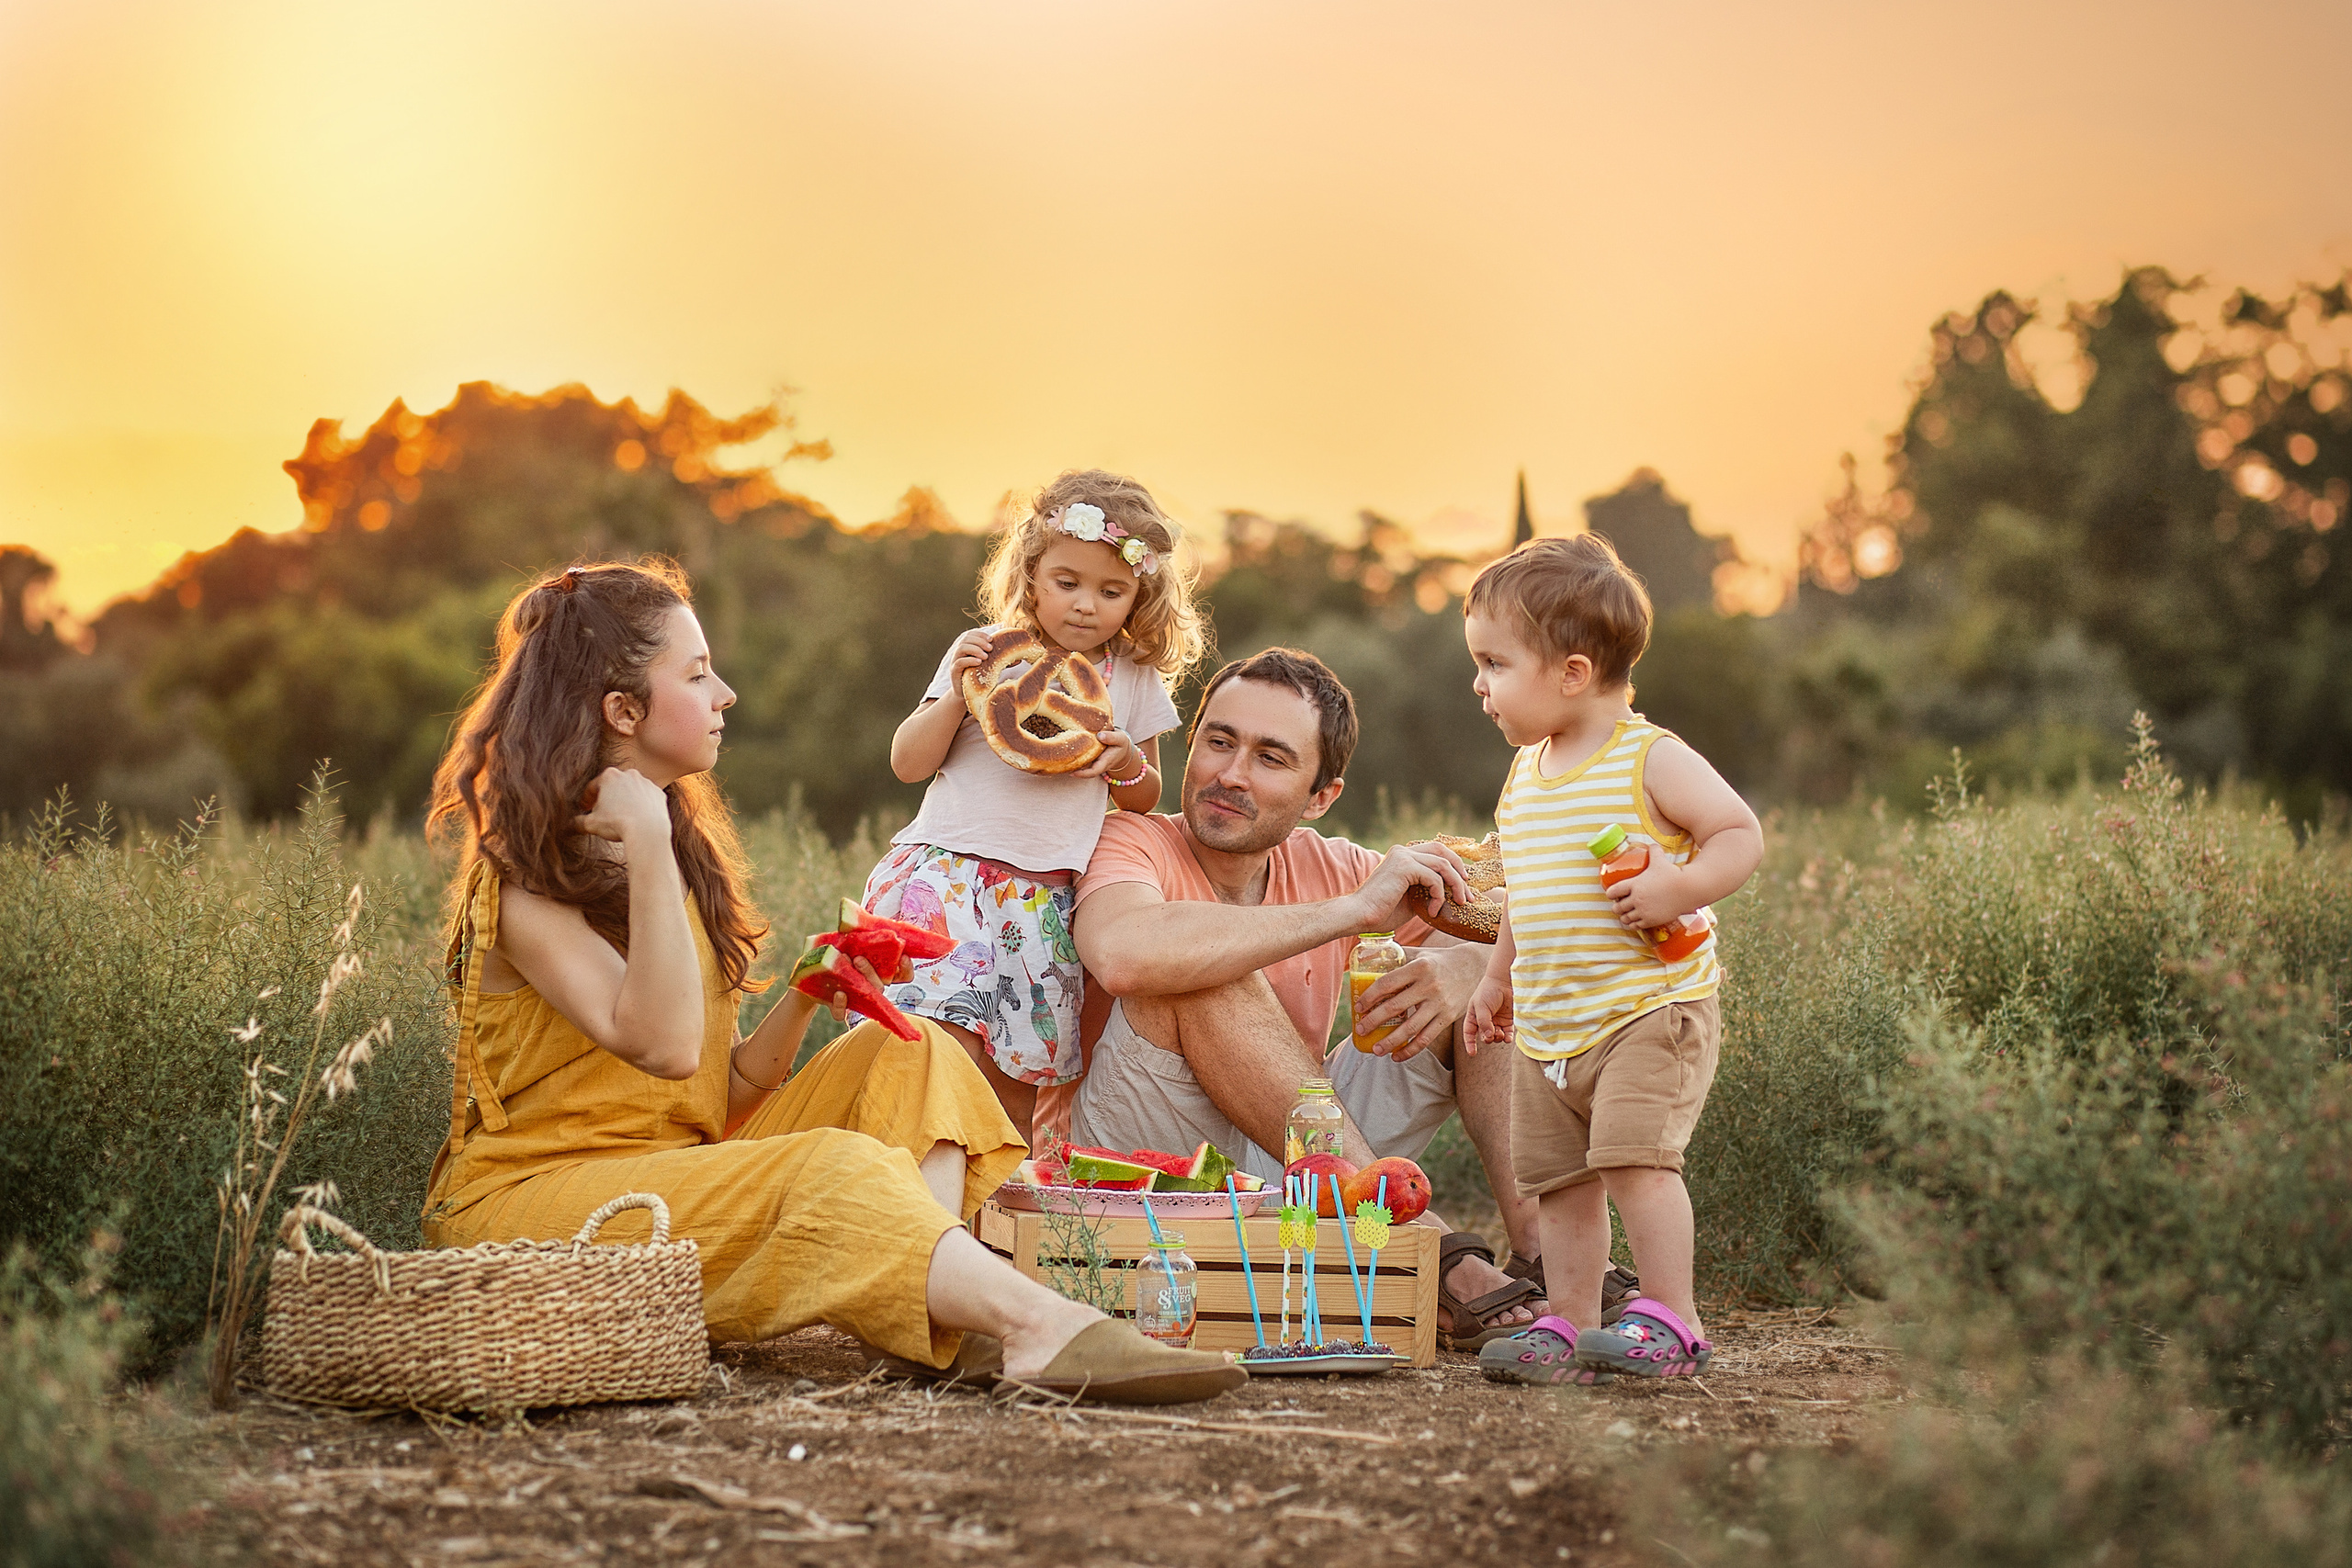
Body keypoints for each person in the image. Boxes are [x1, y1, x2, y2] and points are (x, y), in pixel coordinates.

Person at [420, 558, 1240, 1404]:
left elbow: (716, 1091)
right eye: (698, 675)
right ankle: (1037, 1325)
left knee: (912, 1048)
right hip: (537, 1210)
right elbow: (663, 1047)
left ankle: (946, 1332)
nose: (725, 693)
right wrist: (648, 842)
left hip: (677, 1175)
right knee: (829, 1167)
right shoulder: (525, 883)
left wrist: (809, 996)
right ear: (622, 710)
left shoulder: (669, 850)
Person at [1066, 648, 1558, 1350]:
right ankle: (1415, 1242)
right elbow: (1124, 953)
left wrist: (1473, 966)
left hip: (1297, 1163)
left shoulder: (1331, 863)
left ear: (1320, 796)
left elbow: (1550, 935)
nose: (1229, 775)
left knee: (1489, 985)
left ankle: (1544, 1250)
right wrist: (1353, 912)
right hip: (1147, 1158)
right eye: (1218, 741)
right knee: (1205, 964)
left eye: (1271, 758)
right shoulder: (1130, 837)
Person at [1460, 536, 1762, 1385]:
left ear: (1571, 672)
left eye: (1494, 662)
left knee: (1635, 1161)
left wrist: (1681, 885)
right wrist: (1495, 977)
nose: (1479, 684)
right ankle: (1571, 1325)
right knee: (1560, 1184)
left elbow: (1740, 832)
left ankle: (1673, 1319)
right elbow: (1524, 887)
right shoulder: (1525, 775)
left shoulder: (1648, 757)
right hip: (1553, 1025)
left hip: (1648, 1009)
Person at [869, 470, 1205, 1135]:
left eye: (1111, 591)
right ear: (1031, 575)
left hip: (1044, 899)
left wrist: (1125, 762)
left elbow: (1145, 798)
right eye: (1067, 582)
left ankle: (993, 1226)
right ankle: (913, 1203)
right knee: (937, 1052)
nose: (1086, 605)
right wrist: (956, 691)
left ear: (1140, 594)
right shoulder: (990, 656)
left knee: (1015, 1084)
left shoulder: (1132, 679)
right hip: (951, 877)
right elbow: (907, 763)